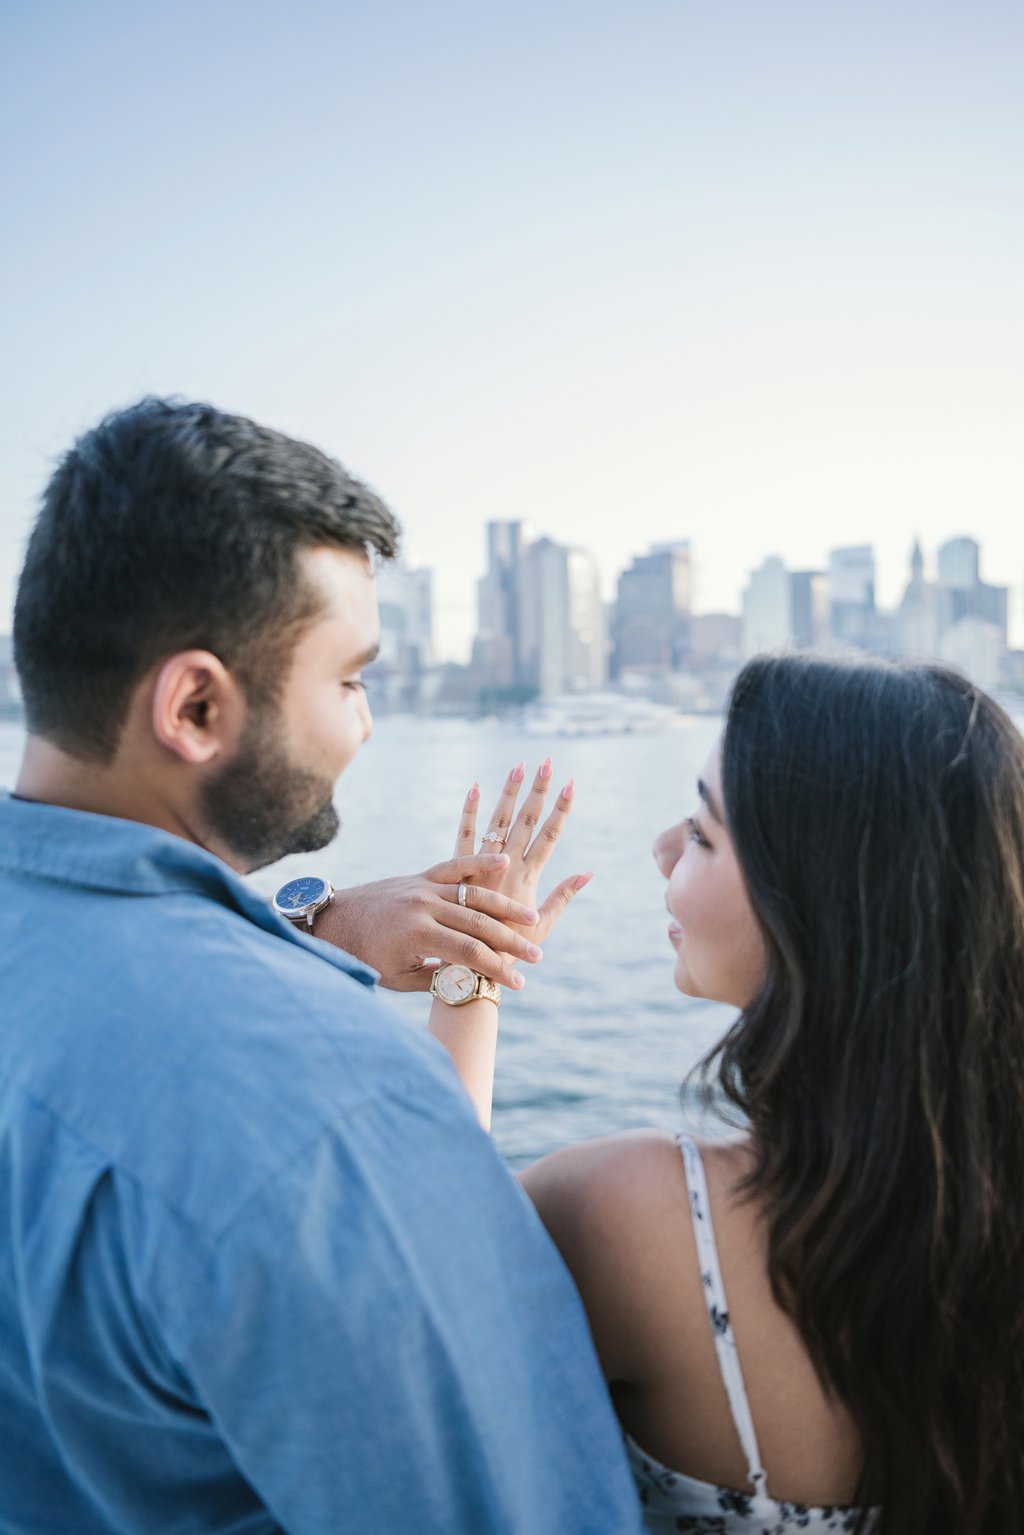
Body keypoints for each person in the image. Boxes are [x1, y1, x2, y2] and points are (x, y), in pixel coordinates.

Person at [0, 398, 645, 1534]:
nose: (366, 724)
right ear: (195, 705)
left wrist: (312, 925)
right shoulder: (333, 1105)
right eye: (350, 678)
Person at [433, 652, 1024, 1535]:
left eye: (705, 834)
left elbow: (413, 1283)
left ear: (818, 901)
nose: (664, 846)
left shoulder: (635, 1219)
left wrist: (465, 977)